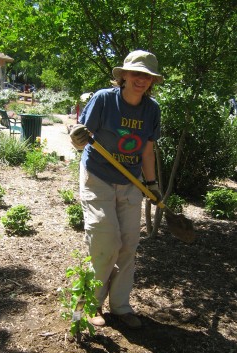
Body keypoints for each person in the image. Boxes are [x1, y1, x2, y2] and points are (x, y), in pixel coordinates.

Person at [70, 50, 163, 329]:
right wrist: (76, 138)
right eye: (136, 73)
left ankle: (120, 305)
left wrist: (153, 184)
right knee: (105, 241)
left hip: (131, 182)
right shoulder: (104, 99)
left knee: (128, 244)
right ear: (123, 75)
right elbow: (80, 137)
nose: (141, 80)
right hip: (97, 176)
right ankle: (89, 303)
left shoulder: (152, 109)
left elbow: (147, 152)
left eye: (147, 76)